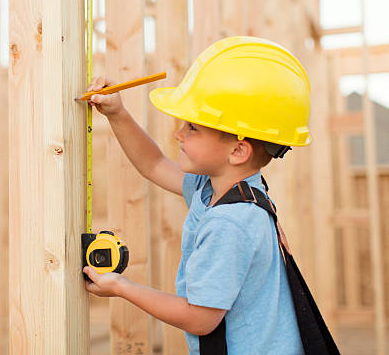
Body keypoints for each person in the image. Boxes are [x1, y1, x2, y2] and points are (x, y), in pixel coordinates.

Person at [82, 36, 309, 354]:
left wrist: (121, 287)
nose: (179, 133)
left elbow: (201, 319)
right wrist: (117, 113)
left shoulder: (231, 222)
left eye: (193, 128)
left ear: (238, 150)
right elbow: (154, 164)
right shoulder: (221, 190)